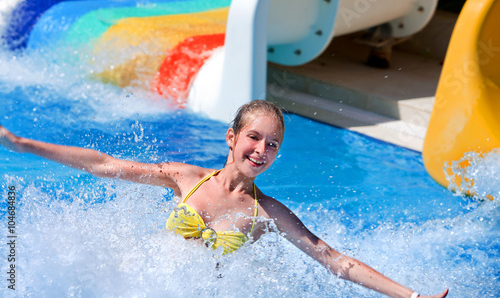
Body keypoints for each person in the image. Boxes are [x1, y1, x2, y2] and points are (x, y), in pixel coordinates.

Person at [0, 100, 448, 298]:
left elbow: (334, 259)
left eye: (273, 145)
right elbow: (102, 163)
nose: (262, 151)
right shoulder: (185, 178)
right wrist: (22, 144)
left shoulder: (266, 213)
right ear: (232, 137)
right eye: (254, 137)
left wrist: (409, 297)